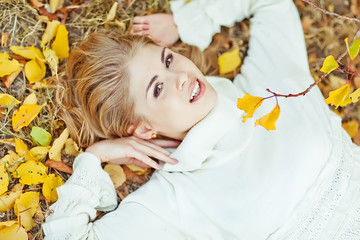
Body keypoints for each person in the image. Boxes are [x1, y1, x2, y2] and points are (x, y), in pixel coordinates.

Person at [43, 0, 360, 239]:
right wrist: (94, 158)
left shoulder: (268, 84)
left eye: (167, 60)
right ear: (142, 129)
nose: (180, 75)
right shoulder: (174, 201)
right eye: (157, 88)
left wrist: (189, 22)